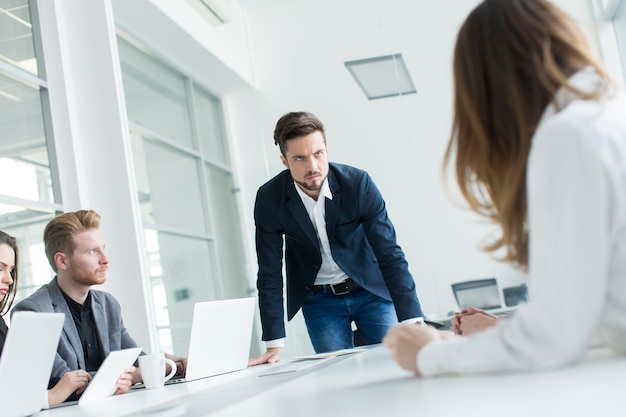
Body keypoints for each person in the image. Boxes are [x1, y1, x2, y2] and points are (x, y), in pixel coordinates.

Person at [383, 0, 626, 377]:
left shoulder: (569, 134)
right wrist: (498, 335)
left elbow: (555, 337)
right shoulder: (604, 113)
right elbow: (593, 313)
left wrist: (429, 356)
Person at [248, 111, 425, 365]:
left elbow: (389, 253)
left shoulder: (358, 184)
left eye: (318, 153)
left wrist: (413, 320)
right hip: (320, 302)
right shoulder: (269, 199)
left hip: (370, 290)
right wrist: (274, 345)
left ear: (326, 149)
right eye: (299, 158)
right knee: (337, 374)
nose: (312, 167)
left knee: (398, 364)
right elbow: (269, 273)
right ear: (284, 161)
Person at [11, 210, 186, 399]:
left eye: (103, 248)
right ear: (62, 260)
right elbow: (63, 382)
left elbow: (135, 358)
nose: (105, 259)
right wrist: (133, 375)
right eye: (92, 251)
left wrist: (165, 363)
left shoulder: (108, 304)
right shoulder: (33, 311)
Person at [0, 230, 133, 408]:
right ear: (62, 261)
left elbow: (15, 388)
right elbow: (20, 393)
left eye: (12, 270)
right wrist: (50, 397)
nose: (9, 279)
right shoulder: (32, 310)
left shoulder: (1, 324)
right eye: (0, 268)